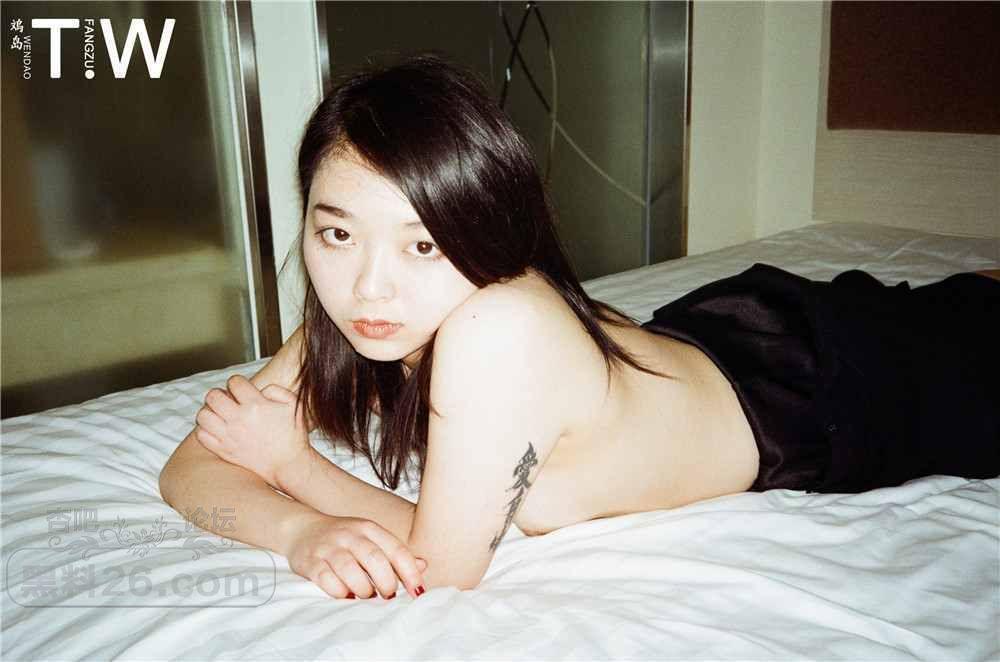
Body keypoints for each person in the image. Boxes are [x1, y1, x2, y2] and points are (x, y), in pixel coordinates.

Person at [158, 52, 1000, 602]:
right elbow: (190, 467)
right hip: (711, 338)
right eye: (337, 233)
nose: (367, 284)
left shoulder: (498, 330)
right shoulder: (358, 314)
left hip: (825, 391)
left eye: (423, 243)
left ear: (482, 225)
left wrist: (292, 466)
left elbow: (440, 568)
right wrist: (298, 530)